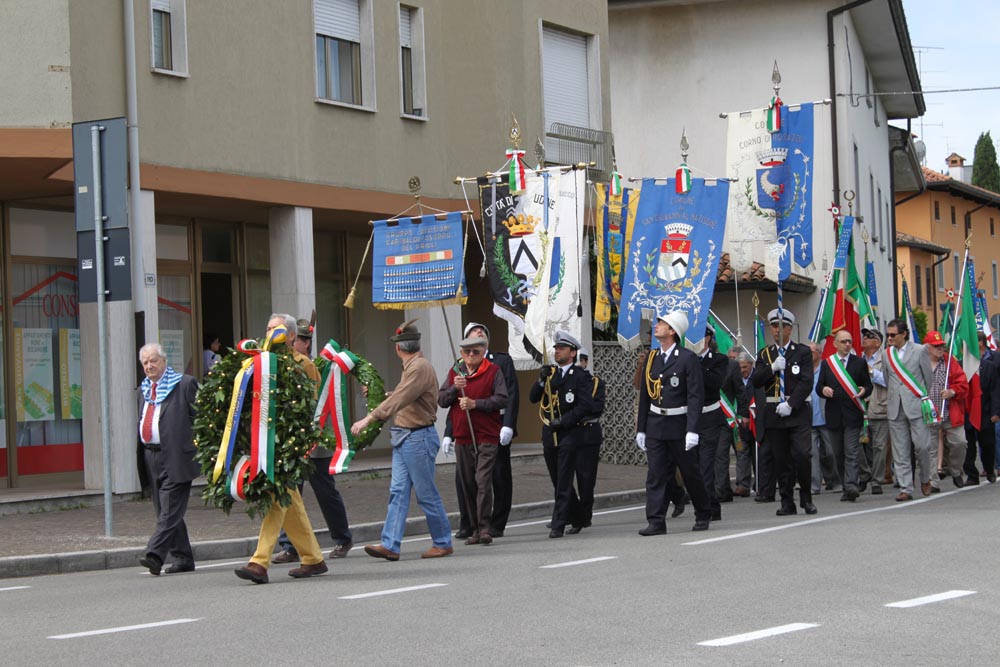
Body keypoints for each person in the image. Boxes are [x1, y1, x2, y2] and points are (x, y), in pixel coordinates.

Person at [235, 314, 328, 584]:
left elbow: (310, 405)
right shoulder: (261, 362)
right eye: (267, 328)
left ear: (291, 336)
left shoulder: (304, 364)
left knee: (277, 498)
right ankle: (313, 558)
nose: (269, 334)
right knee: (289, 500)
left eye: (275, 329)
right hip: (265, 442)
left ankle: (259, 562)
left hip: (288, 445)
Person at [351, 319, 453, 560]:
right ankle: (390, 544)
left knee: (426, 493)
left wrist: (368, 419)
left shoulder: (418, 368)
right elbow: (403, 394)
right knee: (397, 491)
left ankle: (442, 541)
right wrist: (380, 394)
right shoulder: (414, 366)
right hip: (405, 437)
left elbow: (401, 398)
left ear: (398, 347)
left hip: (417, 437)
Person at [272, 317, 354, 564]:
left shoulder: (310, 366)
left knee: (325, 491)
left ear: (305, 343)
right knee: (290, 492)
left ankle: (342, 538)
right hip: (293, 440)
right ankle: (290, 545)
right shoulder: (283, 363)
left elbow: (318, 402)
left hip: (315, 437)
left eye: (295, 340)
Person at [634, 311, 711, 534]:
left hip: (679, 424)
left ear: (672, 331)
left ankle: (703, 512)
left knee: (690, 473)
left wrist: (692, 430)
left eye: (662, 323)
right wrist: (641, 429)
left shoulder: (687, 358)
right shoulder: (652, 358)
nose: (656, 326)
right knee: (656, 474)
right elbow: (645, 396)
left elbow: (695, 396)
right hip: (656, 424)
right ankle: (656, 521)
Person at [446, 322, 519, 540]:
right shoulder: (457, 369)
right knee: (467, 481)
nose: (471, 353)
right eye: (468, 348)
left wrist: (508, 424)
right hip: (465, 433)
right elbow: (451, 405)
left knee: (492, 477)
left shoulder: (499, 363)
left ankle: (493, 524)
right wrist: (448, 433)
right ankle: (471, 525)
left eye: (481, 334)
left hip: (492, 428)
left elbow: (510, 395)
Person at [137, 343, 200, 576]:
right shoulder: (143, 390)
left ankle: (154, 554)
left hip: (177, 456)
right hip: (150, 455)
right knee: (165, 509)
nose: (149, 366)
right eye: (145, 362)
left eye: (153, 360)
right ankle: (183, 558)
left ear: (164, 361)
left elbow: (201, 419)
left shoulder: (184, 384)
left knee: (170, 509)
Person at [529, 331, 595, 537]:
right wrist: (541, 380)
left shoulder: (581, 376)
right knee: (557, 479)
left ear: (572, 353)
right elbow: (533, 398)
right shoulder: (551, 375)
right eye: (556, 348)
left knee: (564, 480)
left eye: (561, 348)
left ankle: (558, 523)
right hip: (550, 432)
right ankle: (580, 517)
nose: (557, 351)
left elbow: (585, 406)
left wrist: (564, 421)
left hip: (570, 433)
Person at [751, 308, 816, 516]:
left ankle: (806, 496)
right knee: (781, 460)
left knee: (802, 454)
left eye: (782, 326)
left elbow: (806, 382)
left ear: (790, 329)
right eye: (774, 326)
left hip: (797, 412)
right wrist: (771, 368)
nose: (777, 330)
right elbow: (756, 380)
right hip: (774, 413)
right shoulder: (765, 354)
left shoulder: (802, 352)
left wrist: (791, 404)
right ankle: (787, 501)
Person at [817, 330, 873, 502]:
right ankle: (845, 486)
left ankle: (851, 486)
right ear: (835, 344)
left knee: (851, 452)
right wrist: (824, 390)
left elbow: (868, 385)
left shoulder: (859, 362)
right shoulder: (827, 364)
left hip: (852, 415)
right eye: (843, 342)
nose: (847, 344)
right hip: (834, 416)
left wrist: (864, 390)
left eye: (849, 341)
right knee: (838, 454)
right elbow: (819, 386)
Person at [883, 318, 934, 501]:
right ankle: (905, 487)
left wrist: (922, 398)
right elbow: (888, 380)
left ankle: (925, 477)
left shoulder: (920, 350)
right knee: (900, 450)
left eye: (893, 335)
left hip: (916, 405)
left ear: (904, 334)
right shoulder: (887, 354)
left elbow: (928, 378)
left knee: (922, 446)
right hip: (895, 407)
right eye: (888, 335)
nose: (889, 338)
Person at [923, 331, 968, 490]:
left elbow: (963, 383)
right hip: (928, 413)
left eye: (941, 345)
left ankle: (955, 469)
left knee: (960, 443)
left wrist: (952, 391)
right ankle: (933, 482)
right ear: (927, 347)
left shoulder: (949, 362)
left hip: (949, 412)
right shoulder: (920, 362)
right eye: (936, 346)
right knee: (931, 448)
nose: (940, 349)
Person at [697, 329, 730, 521]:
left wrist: (695, 364)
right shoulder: (685, 359)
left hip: (710, 417)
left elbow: (714, 383)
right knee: (694, 466)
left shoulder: (719, 360)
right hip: (690, 419)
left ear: (707, 338)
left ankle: (707, 509)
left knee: (706, 465)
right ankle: (710, 505)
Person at [967, 333, 999, 485]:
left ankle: (989, 469)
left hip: (985, 411)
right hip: (968, 411)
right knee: (968, 445)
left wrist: (995, 412)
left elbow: (995, 390)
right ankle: (971, 475)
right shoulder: (962, 365)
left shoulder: (990, 366)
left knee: (987, 444)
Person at [860, 328, 889, 494]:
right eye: (864, 336)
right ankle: (864, 474)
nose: (865, 339)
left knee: (879, 447)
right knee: (857, 444)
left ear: (878, 342)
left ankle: (876, 481)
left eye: (869, 337)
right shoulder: (857, 359)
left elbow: (890, 381)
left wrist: (871, 371)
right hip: (860, 409)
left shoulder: (886, 359)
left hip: (880, 408)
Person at [809, 342, 839, 495]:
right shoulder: (803, 369)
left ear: (820, 353)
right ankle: (814, 485)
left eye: (812, 351)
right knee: (812, 453)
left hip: (826, 417)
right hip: (809, 418)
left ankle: (835, 480)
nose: (809, 354)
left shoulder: (827, 368)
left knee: (831, 452)